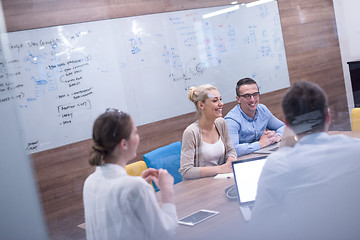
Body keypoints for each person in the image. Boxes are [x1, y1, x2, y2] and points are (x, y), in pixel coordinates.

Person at [248, 81, 360, 239]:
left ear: (286, 123)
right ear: (328, 115)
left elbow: (259, 230)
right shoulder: (356, 150)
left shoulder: (278, 165)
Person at [83, 109, 178, 240]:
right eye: (135, 133)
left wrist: (139, 188)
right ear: (124, 144)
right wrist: (167, 192)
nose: (138, 138)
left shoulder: (90, 182)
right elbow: (166, 234)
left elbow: (118, 222)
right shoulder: (134, 187)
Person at [179, 84, 237, 180]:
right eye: (215, 100)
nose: (221, 104)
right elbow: (186, 171)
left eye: (220, 99)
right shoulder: (191, 132)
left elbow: (231, 150)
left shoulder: (221, 123)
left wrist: (230, 160)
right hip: (200, 187)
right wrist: (220, 169)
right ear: (201, 105)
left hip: (221, 180)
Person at [225, 78, 285, 156]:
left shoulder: (262, 110)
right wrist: (260, 144)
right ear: (238, 99)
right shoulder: (231, 120)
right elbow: (233, 150)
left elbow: (283, 127)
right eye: (247, 96)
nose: (252, 100)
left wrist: (277, 136)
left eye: (255, 94)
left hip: (265, 153)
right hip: (244, 161)